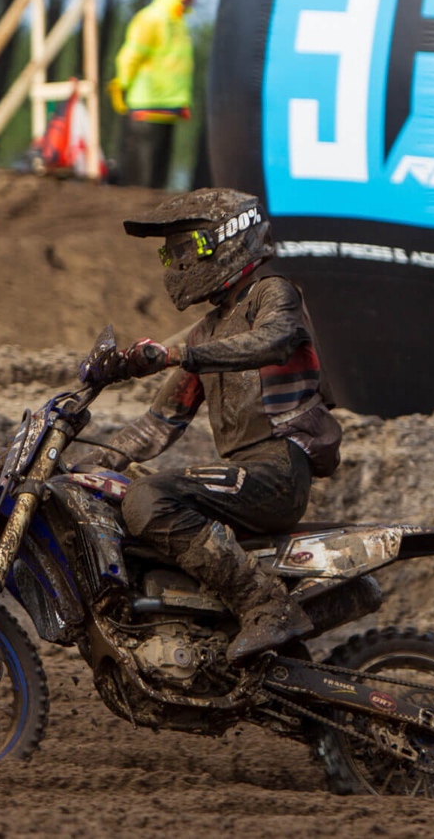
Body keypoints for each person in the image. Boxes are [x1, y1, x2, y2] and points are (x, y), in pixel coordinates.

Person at [72, 188, 343, 663]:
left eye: (187, 249)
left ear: (229, 239)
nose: (177, 262)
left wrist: (177, 353)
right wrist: (93, 459)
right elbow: (161, 423)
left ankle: (264, 605)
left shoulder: (273, 293)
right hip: (245, 473)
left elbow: (273, 341)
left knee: (150, 498)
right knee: (120, 498)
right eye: (170, 252)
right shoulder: (209, 329)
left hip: (279, 468)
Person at [108, 0, 196, 189]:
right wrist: (123, 83)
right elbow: (132, 54)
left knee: (157, 176)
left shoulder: (179, 24)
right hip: (146, 105)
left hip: (169, 108)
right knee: (140, 175)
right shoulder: (152, 18)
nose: (189, 3)